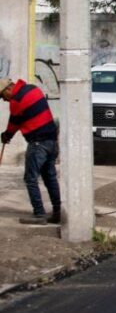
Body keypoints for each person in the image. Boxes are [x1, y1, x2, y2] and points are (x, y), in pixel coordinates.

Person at [0, 77, 61, 225]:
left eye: (2, 96)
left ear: (8, 89)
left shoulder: (17, 101)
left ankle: (39, 214)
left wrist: (6, 136)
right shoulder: (34, 89)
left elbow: (14, 123)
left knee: (30, 179)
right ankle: (58, 211)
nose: (4, 100)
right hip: (52, 141)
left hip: (38, 143)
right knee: (49, 177)